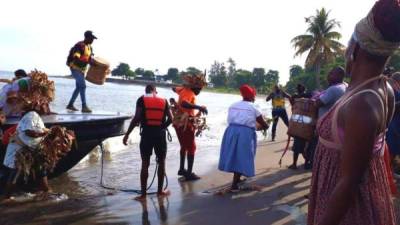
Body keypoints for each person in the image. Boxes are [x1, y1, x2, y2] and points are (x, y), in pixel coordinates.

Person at [308, 0, 398, 224]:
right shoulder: (381, 87)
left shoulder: (362, 105)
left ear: (355, 48)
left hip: (348, 211)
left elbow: (349, 182)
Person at [123, 84, 172, 201]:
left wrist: (127, 134)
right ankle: (160, 191)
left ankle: (143, 195)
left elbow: (136, 118)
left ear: (146, 91)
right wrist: (162, 127)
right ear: (155, 91)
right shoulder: (164, 100)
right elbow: (171, 119)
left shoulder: (141, 99)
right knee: (162, 162)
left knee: (145, 163)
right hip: (160, 135)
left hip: (146, 134)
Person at [218, 85, 269, 192]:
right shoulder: (253, 107)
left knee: (234, 154)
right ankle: (234, 185)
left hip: (231, 131)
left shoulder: (233, 105)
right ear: (251, 96)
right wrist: (266, 125)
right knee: (243, 156)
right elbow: (262, 123)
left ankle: (237, 178)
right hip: (245, 133)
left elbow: (235, 119)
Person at [305, 67, 348, 168]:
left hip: (327, 127)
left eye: (331, 74)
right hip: (339, 125)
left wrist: (314, 99)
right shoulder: (345, 86)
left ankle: (317, 167)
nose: (328, 76)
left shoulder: (333, 89)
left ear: (340, 76)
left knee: (318, 148)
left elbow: (318, 104)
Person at [2, 110, 49, 200]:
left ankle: (46, 190)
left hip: (31, 147)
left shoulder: (34, 117)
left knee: (40, 168)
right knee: (15, 172)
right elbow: (29, 132)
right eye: (44, 105)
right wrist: (43, 133)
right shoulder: (31, 115)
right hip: (19, 149)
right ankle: (6, 197)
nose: (46, 107)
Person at [173, 73, 208, 181]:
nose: (199, 92)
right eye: (199, 89)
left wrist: (179, 89)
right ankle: (188, 173)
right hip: (185, 124)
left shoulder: (182, 90)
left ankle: (182, 169)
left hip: (177, 123)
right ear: (195, 87)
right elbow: (184, 103)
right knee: (192, 147)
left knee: (184, 146)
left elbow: (174, 88)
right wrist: (199, 107)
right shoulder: (191, 93)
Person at [66, 30, 97, 113]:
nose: (92, 40)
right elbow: (76, 58)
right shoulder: (80, 46)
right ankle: (84, 106)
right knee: (83, 86)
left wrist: (93, 63)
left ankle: (70, 105)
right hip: (75, 68)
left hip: (82, 70)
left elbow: (90, 58)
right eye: (91, 38)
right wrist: (87, 62)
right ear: (86, 37)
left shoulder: (90, 47)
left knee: (79, 87)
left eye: (93, 39)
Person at [288, 84, 312, 170]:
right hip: (307, 124)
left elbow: (292, 104)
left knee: (297, 146)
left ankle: (295, 164)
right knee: (306, 146)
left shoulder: (296, 98)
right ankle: (306, 163)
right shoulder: (309, 96)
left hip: (298, 124)